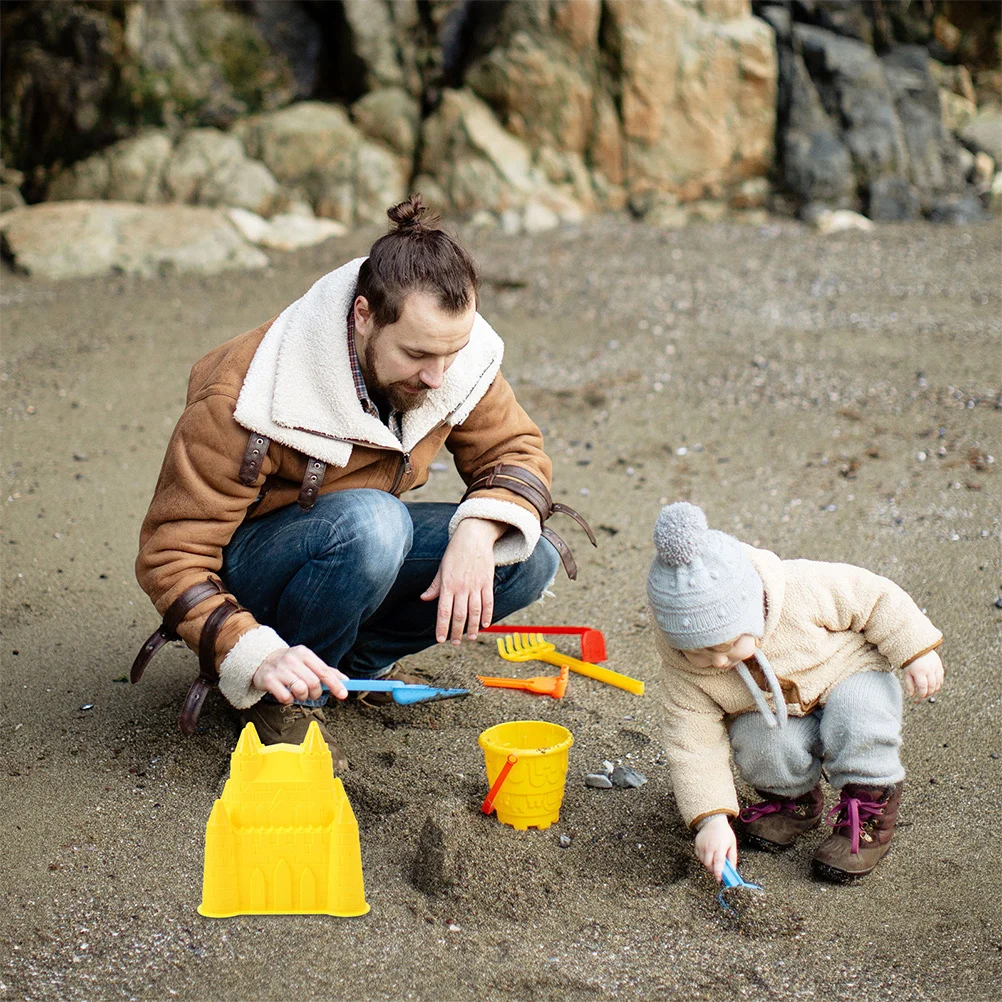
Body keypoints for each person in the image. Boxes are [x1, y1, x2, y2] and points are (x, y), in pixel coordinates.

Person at [132, 195, 592, 769]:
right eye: (417, 354)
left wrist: (480, 531)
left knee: (528, 554)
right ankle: (283, 696)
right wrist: (248, 650)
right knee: (374, 523)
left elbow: (514, 449)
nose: (438, 377)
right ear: (363, 315)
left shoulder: (449, 355)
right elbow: (171, 556)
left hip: (354, 547)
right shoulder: (243, 394)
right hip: (254, 574)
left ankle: (351, 668)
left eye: (452, 353)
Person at [646, 501, 944, 882]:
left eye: (729, 645)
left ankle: (869, 809)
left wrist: (916, 650)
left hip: (848, 673)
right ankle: (793, 801)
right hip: (779, 710)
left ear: (752, 610)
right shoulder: (684, 674)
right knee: (760, 739)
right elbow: (692, 744)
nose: (719, 661)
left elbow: (873, 597)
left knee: (859, 714)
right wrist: (712, 819)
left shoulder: (798, 589)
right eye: (700, 653)